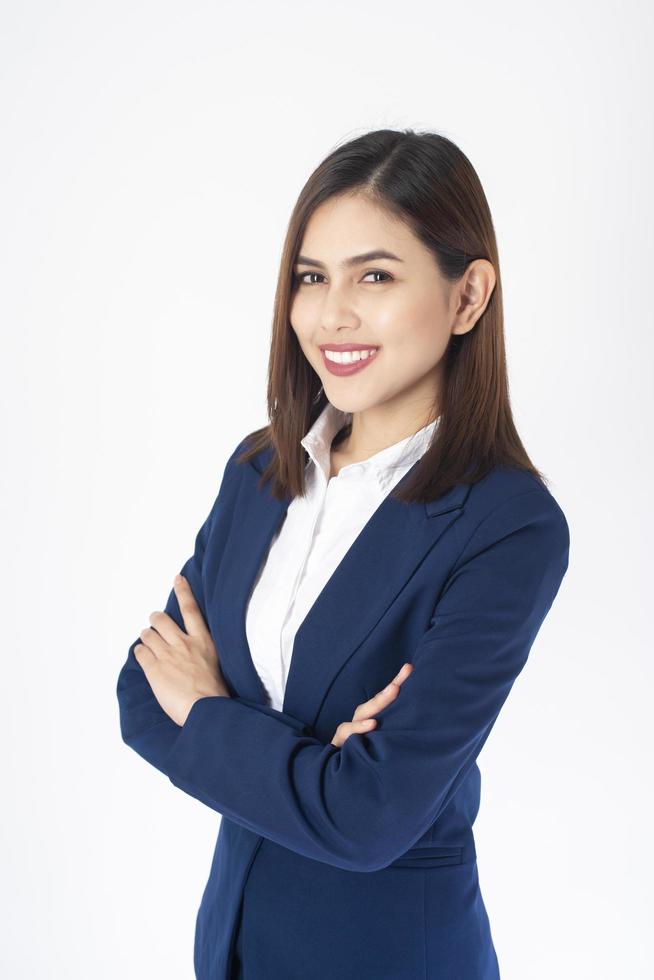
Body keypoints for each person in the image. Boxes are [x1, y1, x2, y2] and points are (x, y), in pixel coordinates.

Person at [116, 128, 570, 979]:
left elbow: (369, 820)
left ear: (468, 296)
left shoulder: (510, 526)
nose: (332, 315)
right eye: (311, 277)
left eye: (376, 276)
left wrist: (211, 710)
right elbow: (142, 694)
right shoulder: (262, 469)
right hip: (233, 946)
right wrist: (318, 763)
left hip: (392, 955)